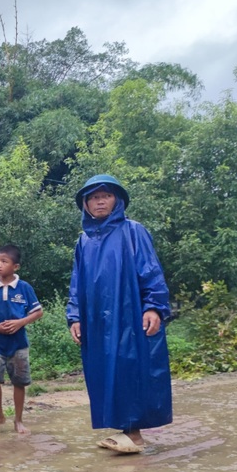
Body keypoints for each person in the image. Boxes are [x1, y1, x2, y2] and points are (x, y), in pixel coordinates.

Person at [66, 174, 173, 453]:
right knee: (104, 371)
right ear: (85, 205)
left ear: (117, 200)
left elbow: (151, 271)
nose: (99, 200)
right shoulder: (84, 243)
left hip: (129, 315)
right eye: (92, 197)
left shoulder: (132, 231)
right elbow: (76, 284)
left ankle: (134, 434)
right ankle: (123, 430)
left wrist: (154, 307)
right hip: (96, 321)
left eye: (106, 195)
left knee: (130, 367)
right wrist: (75, 316)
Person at [0, 244, 43, 435]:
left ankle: (18, 420)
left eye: (4, 261)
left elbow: (38, 312)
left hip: (18, 344)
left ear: (15, 266)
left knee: (19, 382)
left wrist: (20, 322)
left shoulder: (24, 288)